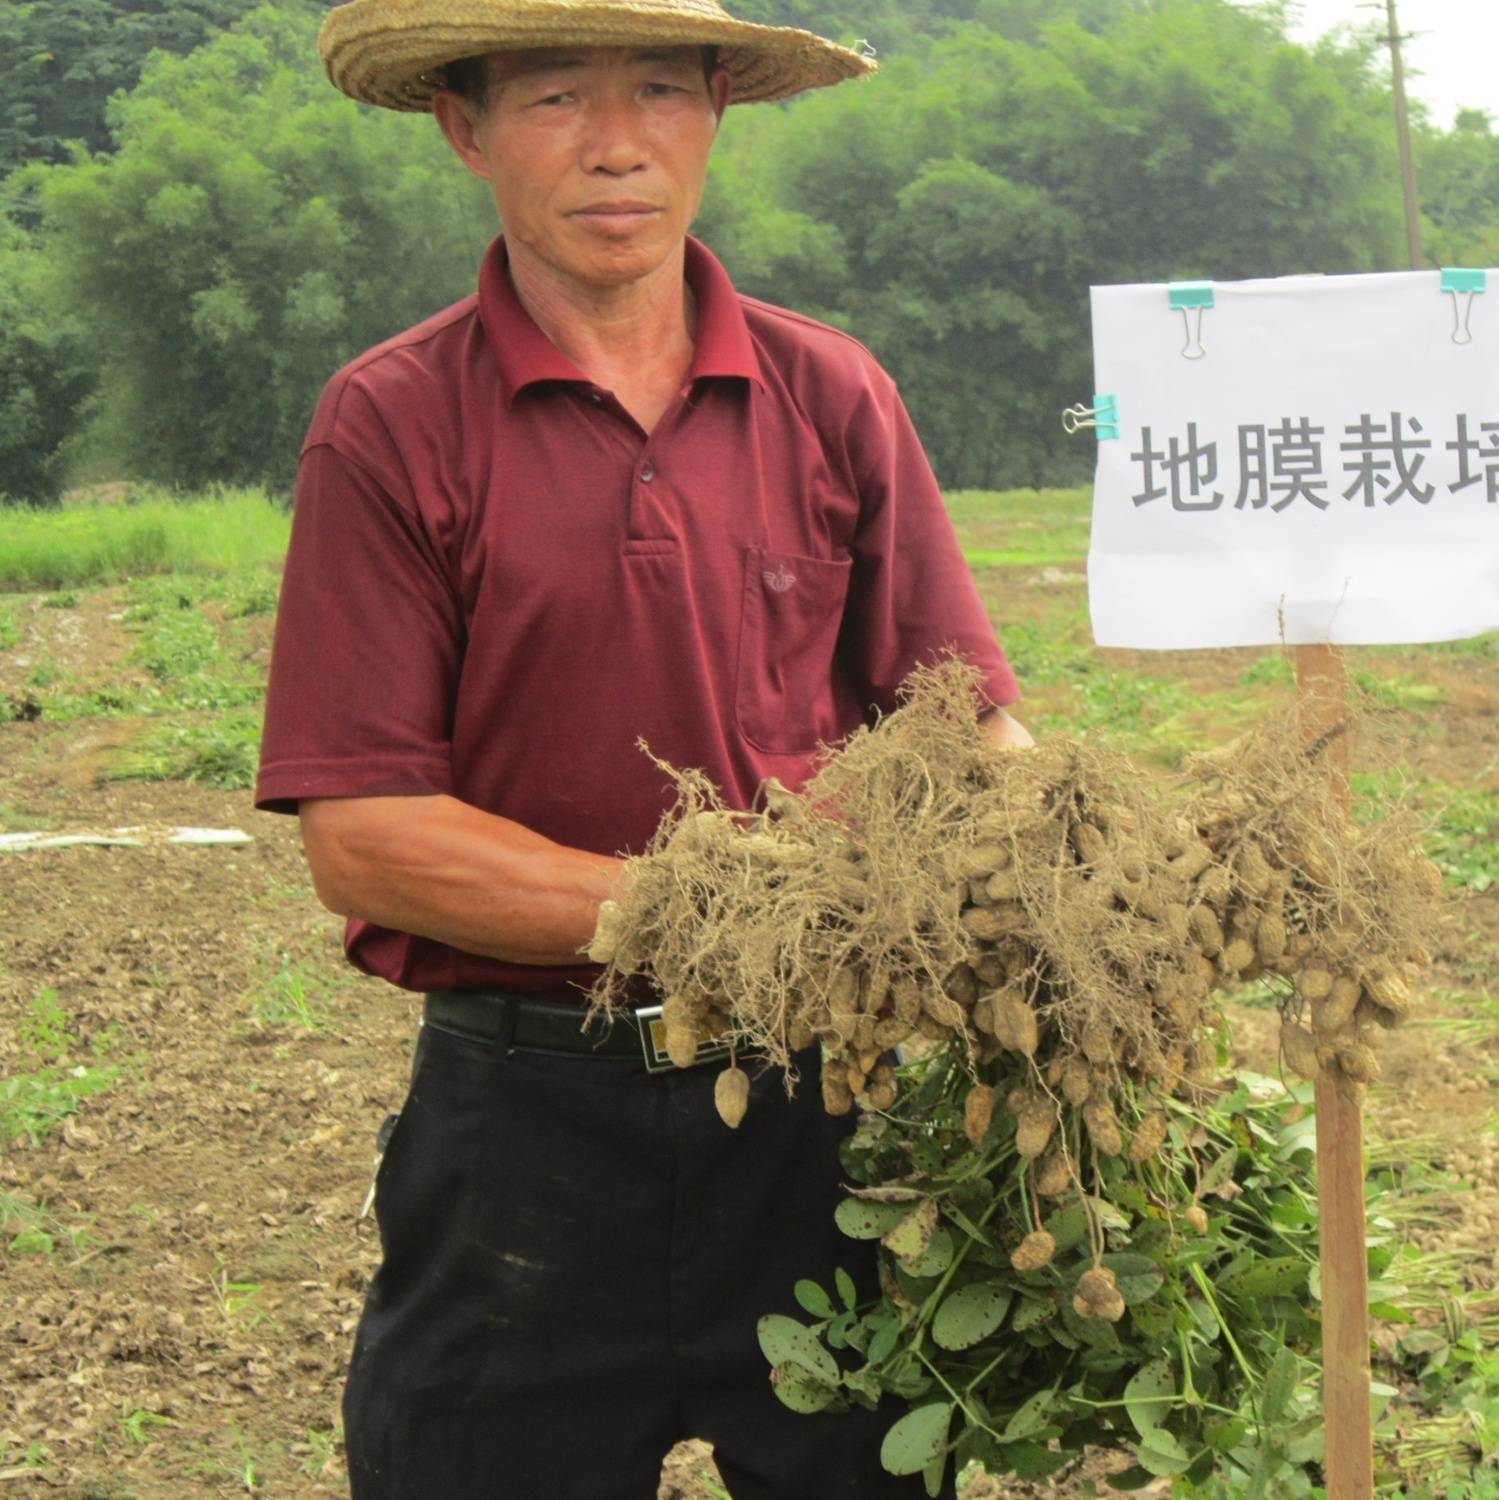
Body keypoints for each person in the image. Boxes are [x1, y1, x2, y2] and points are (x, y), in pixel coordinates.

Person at [256, 3, 1030, 1495]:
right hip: (526, 1129)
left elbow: (966, 722)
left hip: (821, 1113)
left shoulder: (833, 394)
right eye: (556, 97)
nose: (619, 146)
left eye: (662, 91)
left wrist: (1072, 891)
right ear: (465, 128)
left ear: (718, 110)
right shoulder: (394, 424)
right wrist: (702, 908)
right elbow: (366, 835)